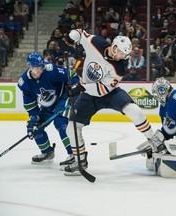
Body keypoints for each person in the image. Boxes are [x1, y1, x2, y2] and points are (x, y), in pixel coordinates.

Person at [64, 29, 156, 176]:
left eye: (126, 55)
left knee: (134, 111)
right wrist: (73, 36)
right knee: (71, 128)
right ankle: (80, 159)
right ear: (114, 47)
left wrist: (81, 87)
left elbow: (101, 90)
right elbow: (81, 34)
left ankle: (154, 140)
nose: (123, 57)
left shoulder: (119, 68)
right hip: (88, 95)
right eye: (122, 54)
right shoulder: (97, 43)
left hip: (109, 93)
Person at [17, 52, 77, 167]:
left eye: (41, 67)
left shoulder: (50, 70)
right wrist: (33, 118)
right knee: (35, 128)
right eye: (36, 68)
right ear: (29, 67)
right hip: (47, 106)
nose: (40, 70)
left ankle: (74, 154)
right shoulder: (24, 82)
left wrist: (73, 87)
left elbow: (72, 75)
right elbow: (31, 105)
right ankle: (47, 153)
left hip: (62, 98)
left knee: (60, 122)